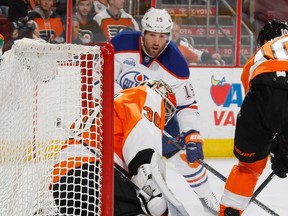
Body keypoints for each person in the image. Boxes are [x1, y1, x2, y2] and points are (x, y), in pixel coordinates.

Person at [111, 7, 219, 215]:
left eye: (162, 36)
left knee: (184, 156)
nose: (156, 41)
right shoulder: (122, 44)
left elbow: (186, 105)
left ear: (169, 36)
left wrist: (192, 134)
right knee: (126, 159)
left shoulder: (176, 64)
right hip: (120, 110)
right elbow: (104, 76)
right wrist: (123, 100)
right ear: (143, 32)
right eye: (151, 34)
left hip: (156, 114)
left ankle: (206, 195)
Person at [51, 79, 179, 215]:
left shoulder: (113, 101)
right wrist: (154, 194)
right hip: (94, 172)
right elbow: (144, 155)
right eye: (165, 108)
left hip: (61, 180)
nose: (163, 114)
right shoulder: (146, 95)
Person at [219, 20, 288, 216]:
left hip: (262, 87)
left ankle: (229, 210)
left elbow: (261, 107)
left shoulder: (259, 56)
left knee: (248, 167)